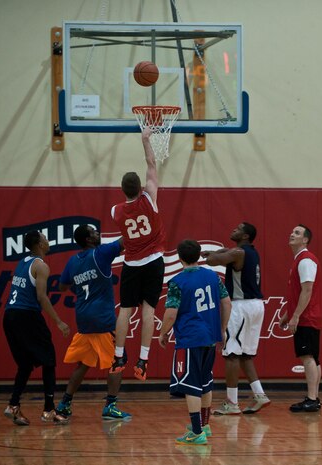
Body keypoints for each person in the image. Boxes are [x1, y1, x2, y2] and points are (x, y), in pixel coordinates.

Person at [159, 239, 231, 445]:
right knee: (205, 381)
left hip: (190, 338)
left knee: (191, 385)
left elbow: (171, 314)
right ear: (199, 254)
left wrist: (163, 333)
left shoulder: (177, 282)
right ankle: (205, 425)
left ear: (179, 258)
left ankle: (197, 432)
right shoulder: (213, 276)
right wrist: (223, 329)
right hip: (210, 336)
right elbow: (226, 303)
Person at [56, 224, 131, 420]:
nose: (98, 233)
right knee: (118, 360)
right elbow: (126, 239)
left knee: (83, 364)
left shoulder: (73, 261)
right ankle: (110, 406)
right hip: (103, 319)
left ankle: (64, 403)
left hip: (83, 320)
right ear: (89, 240)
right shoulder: (101, 253)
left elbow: (63, 286)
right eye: (94, 232)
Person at [109, 127, 166, 381]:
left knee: (124, 310)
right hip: (154, 261)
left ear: (122, 190)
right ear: (140, 187)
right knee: (148, 311)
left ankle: (119, 356)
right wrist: (145, 139)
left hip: (131, 263)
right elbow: (151, 163)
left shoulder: (116, 211)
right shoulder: (149, 198)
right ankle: (143, 361)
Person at [3, 230, 70, 426]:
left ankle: (13, 405)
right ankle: (49, 410)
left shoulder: (22, 262)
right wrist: (58, 321)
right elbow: (41, 297)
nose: (48, 241)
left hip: (9, 316)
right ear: (40, 244)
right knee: (49, 359)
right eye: (45, 238)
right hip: (26, 315)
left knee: (25, 364)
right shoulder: (41, 266)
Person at [203, 222, 270, 414]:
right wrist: (221, 253)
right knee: (245, 355)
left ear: (246, 236)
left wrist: (214, 255)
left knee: (231, 354)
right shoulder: (250, 252)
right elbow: (225, 254)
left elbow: (212, 261)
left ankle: (232, 403)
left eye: (238, 228)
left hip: (241, 306)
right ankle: (259, 395)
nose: (234, 229)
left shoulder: (239, 253)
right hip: (256, 305)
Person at [279, 224, 322, 412]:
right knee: (313, 358)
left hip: (307, 317)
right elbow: (299, 293)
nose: (291, 234)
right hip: (306, 315)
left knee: (307, 357)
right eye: (292, 231)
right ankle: (314, 398)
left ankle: (312, 399)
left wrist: (295, 316)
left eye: (297, 233)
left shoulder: (305, 260)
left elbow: (307, 290)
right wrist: (287, 315)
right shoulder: (299, 260)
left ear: (305, 240)